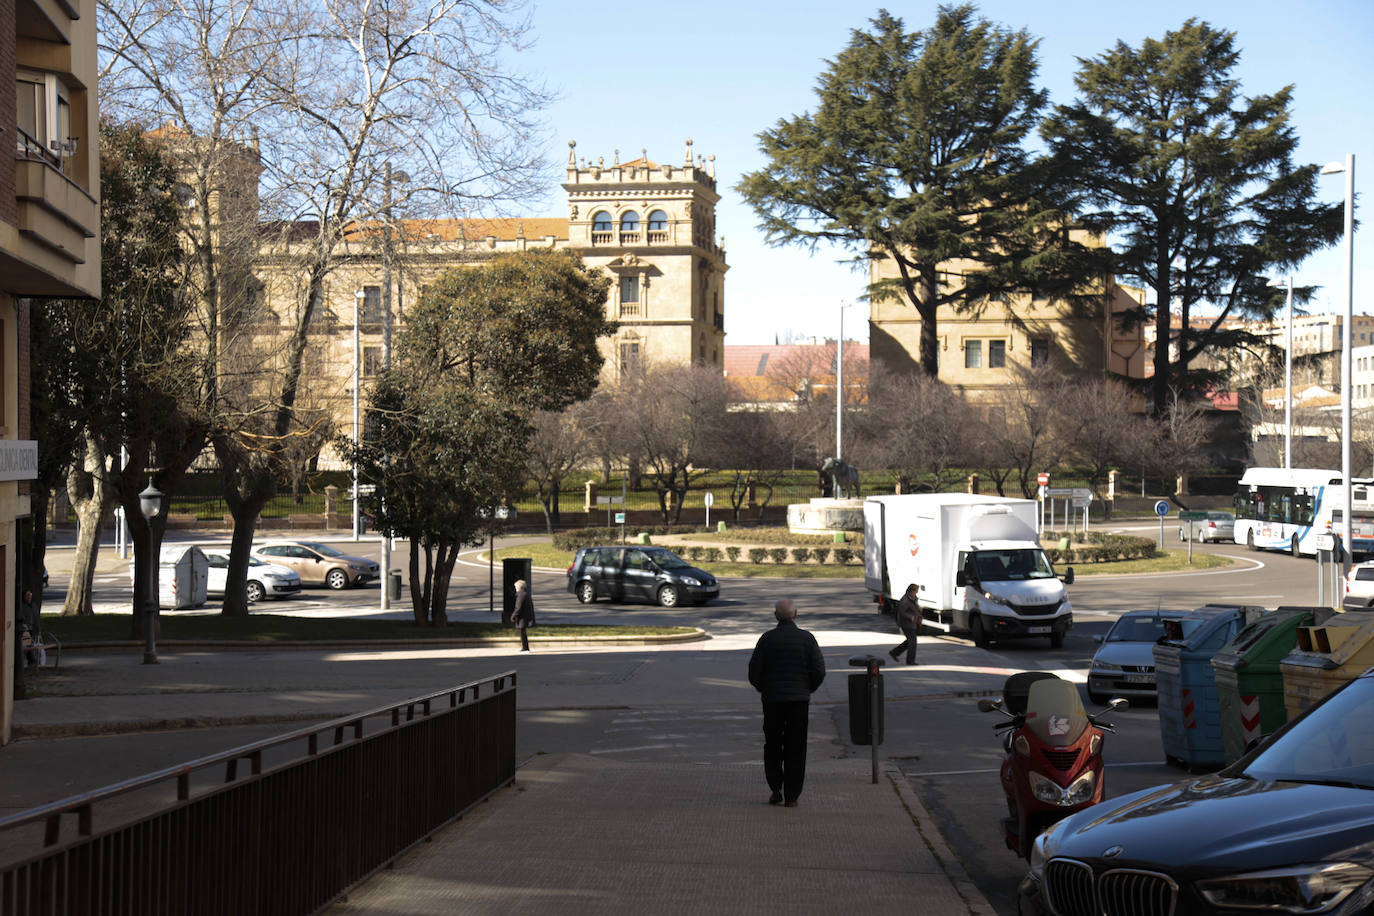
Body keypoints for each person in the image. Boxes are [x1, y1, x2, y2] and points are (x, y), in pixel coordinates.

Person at [747, 598, 826, 808]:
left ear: (775, 616)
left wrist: (764, 689)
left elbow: (754, 672)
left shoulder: (766, 639)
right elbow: (819, 671)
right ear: (796, 614)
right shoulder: (807, 639)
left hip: (772, 701)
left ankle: (775, 789)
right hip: (798, 702)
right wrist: (806, 688)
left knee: (773, 745)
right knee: (796, 747)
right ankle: (792, 796)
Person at [890, 583, 920, 665]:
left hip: (911, 623)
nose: (917, 592)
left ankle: (894, 652)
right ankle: (910, 661)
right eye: (916, 591)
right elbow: (902, 611)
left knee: (910, 641)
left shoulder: (912, 598)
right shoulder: (906, 599)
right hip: (906, 623)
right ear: (912, 590)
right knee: (912, 642)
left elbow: (915, 609)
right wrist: (910, 617)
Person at [511, 579, 535, 651]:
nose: (515, 589)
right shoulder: (525, 594)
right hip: (526, 615)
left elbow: (518, 607)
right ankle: (525, 647)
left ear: (519, 587)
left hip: (522, 617)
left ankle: (525, 647)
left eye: (516, 587)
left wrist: (513, 616)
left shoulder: (521, 595)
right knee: (523, 632)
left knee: (522, 632)